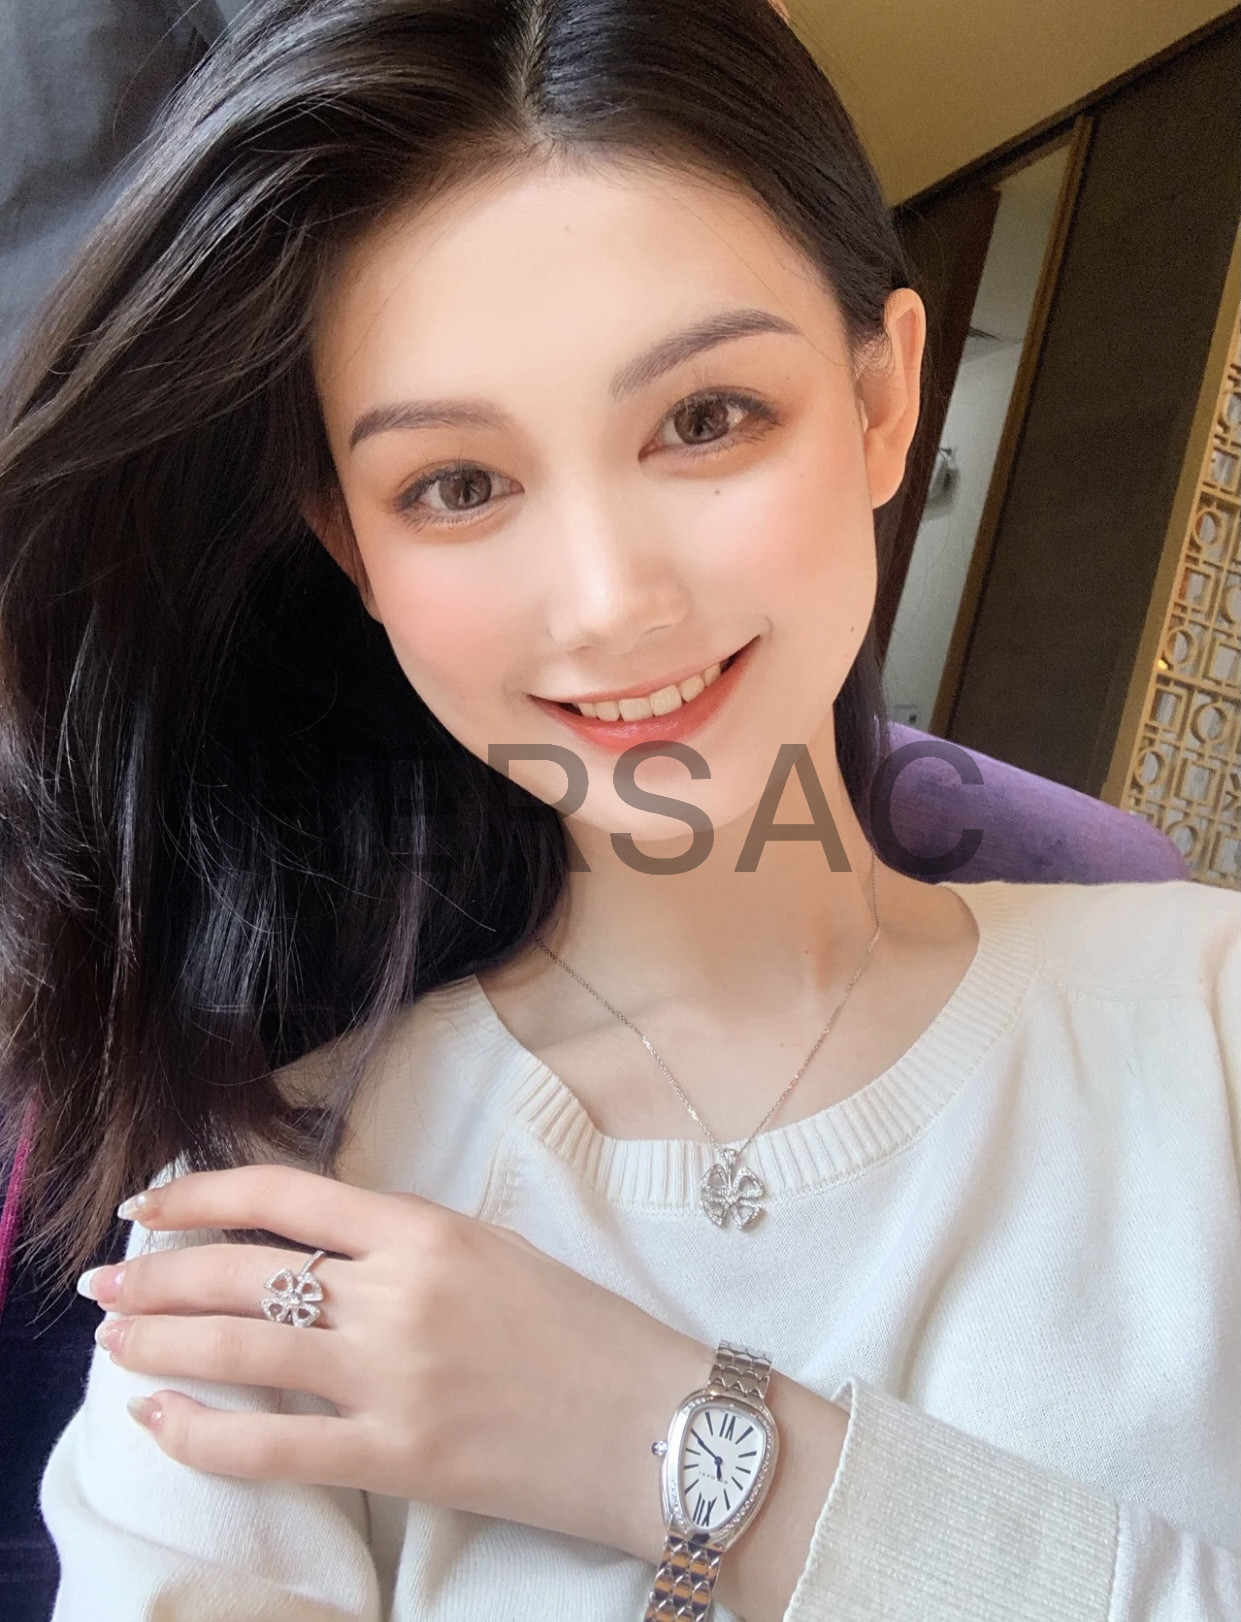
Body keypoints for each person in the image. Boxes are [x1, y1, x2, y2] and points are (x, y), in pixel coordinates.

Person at [0, 0, 1236, 1616]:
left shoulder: (1208, 1018)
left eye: (704, 417)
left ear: (882, 399)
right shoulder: (281, 1235)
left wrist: (680, 1441)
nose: (607, 601)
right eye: (456, 484)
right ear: (354, 546)